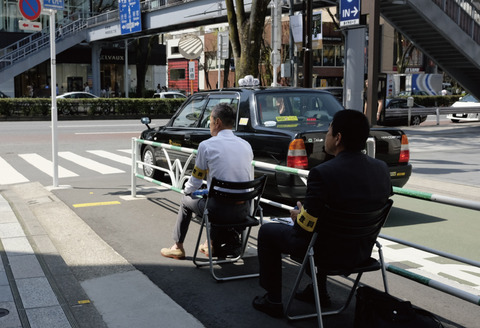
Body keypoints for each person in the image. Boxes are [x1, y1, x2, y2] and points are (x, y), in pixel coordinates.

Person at [252, 110, 392, 318]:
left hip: (325, 252)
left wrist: (298, 215)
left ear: (338, 138)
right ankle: (319, 291)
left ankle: (273, 299)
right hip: (362, 250)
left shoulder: (323, 173)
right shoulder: (381, 168)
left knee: (267, 232)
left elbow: (305, 227)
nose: (326, 136)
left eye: (328, 131)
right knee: (326, 233)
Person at [161, 103, 254, 260]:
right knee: (215, 198)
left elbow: (195, 181)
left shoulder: (206, 146)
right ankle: (211, 244)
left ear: (217, 122)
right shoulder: (246, 145)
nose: (209, 124)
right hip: (243, 212)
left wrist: (187, 190)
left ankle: (178, 247)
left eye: (209, 120)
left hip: (218, 212)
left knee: (187, 200)